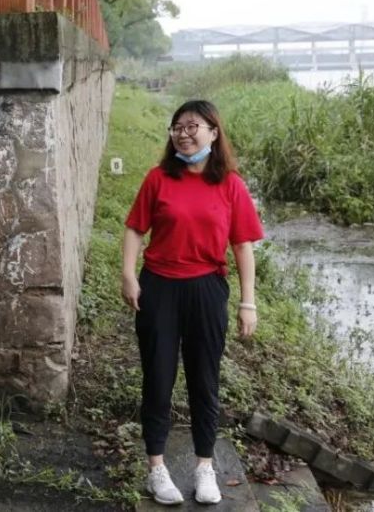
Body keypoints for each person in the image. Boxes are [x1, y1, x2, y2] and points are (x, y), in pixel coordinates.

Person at [121, 99, 262, 505]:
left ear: (213, 133)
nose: (184, 133)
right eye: (177, 127)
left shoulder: (230, 184)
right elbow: (134, 228)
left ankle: (204, 467)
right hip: (160, 288)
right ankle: (157, 469)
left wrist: (247, 302)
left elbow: (242, 245)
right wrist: (129, 274)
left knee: (204, 379)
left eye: (193, 126)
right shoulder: (158, 179)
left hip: (206, 290)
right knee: (158, 378)